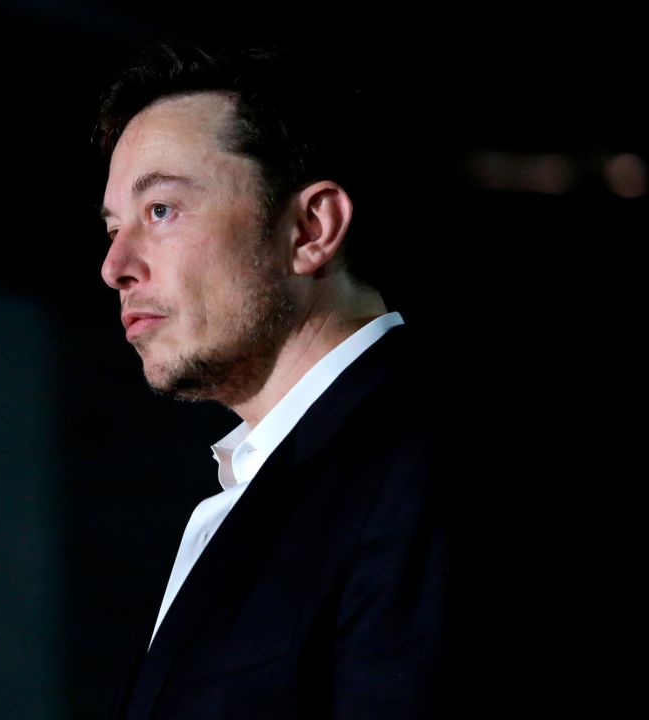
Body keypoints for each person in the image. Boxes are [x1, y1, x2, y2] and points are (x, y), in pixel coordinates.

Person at [94, 42, 453, 719]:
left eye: (161, 210)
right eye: (113, 229)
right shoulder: (268, 486)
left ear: (310, 228)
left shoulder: (422, 462)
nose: (116, 266)